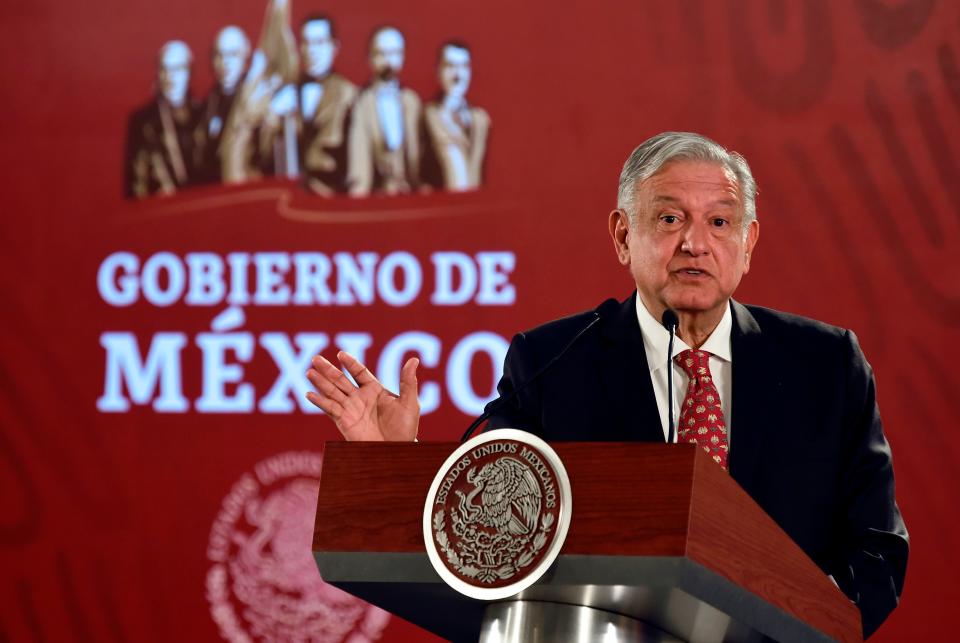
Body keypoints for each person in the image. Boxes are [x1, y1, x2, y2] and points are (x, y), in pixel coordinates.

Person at [305, 131, 908, 638]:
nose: (695, 243)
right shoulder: (552, 361)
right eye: (669, 218)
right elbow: (487, 535)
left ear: (748, 243)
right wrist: (394, 465)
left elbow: (877, 550)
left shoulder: (826, 365)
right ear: (623, 235)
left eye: (720, 222)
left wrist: (802, 623)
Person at [346, 26, 422, 196]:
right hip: (378, 198)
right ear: (369, 58)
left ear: (402, 57)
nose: (388, 62)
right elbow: (359, 167)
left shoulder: (412, 102)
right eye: (381, 54)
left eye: (394, 53)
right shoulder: (361, 105)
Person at [125, 40, 200, 198]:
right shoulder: (143, 122)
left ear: (189, 72)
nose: (170, 77)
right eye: (165, 69)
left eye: (178, 69)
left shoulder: (202, 113)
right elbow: (137, 183)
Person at [420, 41, 490, 191]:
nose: (458, 75)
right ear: (438, 71)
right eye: (450, 66)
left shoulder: (480, 120)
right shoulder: (427, 115)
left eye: (464, 66)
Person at [196, 26, 251, 184]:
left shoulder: (257, 99)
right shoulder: (208, 105)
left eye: (233, 54)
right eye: (220, 55)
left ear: (245, 55)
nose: (225, 62)